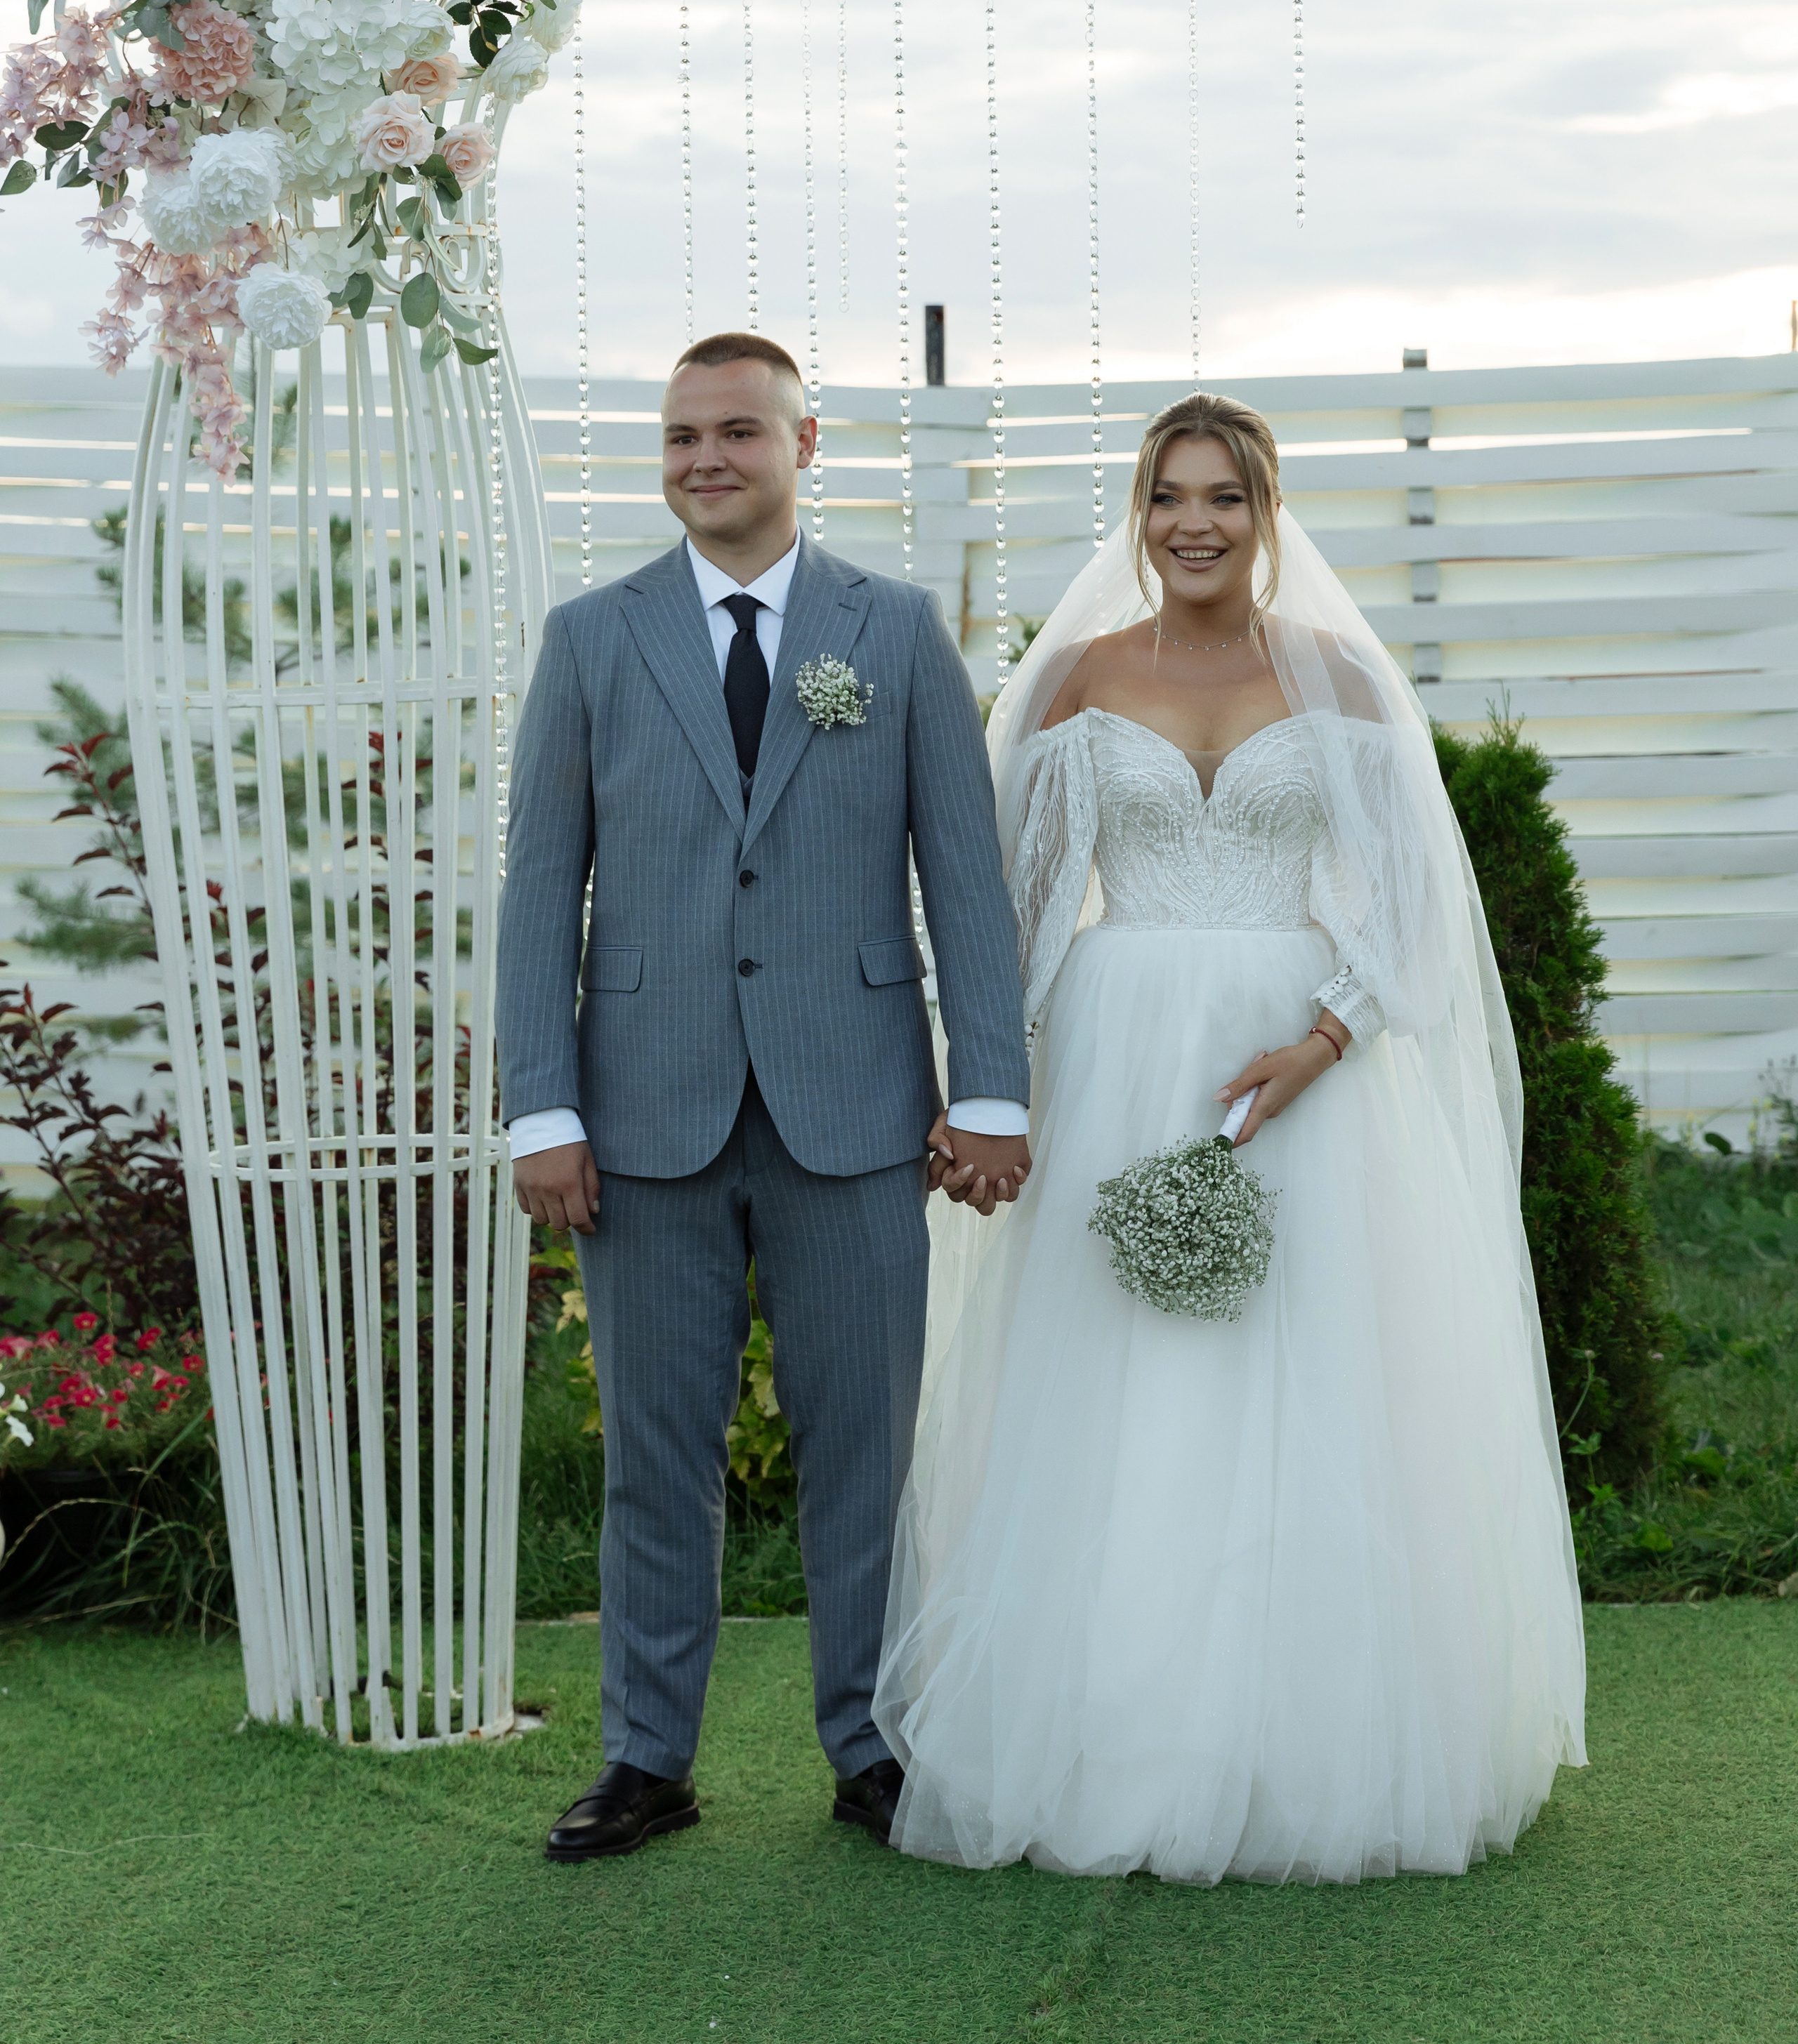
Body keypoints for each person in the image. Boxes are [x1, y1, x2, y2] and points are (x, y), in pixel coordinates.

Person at [875, 391, 1587, 1883]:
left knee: (1307, 1375)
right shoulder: (1071, 679)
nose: (1191, 523)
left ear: (1269, 516)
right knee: (1114, 1382)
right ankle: (1112, 1731)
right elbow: (1000, 915)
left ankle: (1301, 1741)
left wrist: (1320, 1041)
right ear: (1134, 516)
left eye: (1223, 498)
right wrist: (990, 1088)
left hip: (1292, 1062)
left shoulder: (1337, 677)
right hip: (1113, 1052)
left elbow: (1405, 909)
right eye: (1164, 498)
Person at [497, 331, 1032, 1861]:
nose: (703, 460)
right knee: (652, 1456)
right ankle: (646, 1756)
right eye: (679, 438)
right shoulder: (591, 640)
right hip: (640, 1119)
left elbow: (964, 885)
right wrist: (543, 1107)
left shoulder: (897, 630)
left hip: (853, 1111)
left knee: (862, 1447)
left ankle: (871, 1747)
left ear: (807, 447)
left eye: (736, 432)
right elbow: (543, 891)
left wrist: (987, 1089)